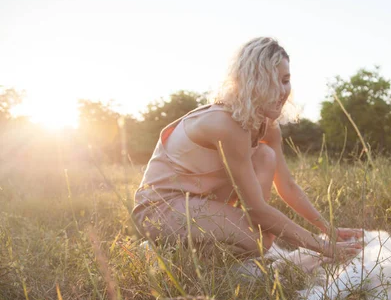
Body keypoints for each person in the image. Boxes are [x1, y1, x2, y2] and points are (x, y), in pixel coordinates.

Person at [132, 37, 362, 261]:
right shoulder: (225, 124)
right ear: (251, 83)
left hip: (202, 204)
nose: (282, 91)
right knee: (260, 240)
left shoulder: (266, 126)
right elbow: (258, 212)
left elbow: (287, 186)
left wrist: (328, 229)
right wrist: (325, 247)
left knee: (265, 156)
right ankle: (159, 251)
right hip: (159, 209)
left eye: (285, 80)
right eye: (271, 81)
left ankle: (205, 247)